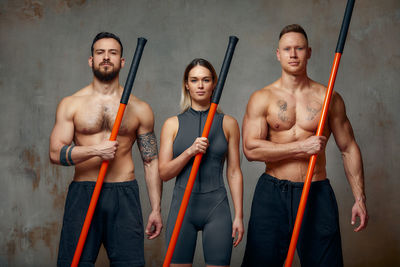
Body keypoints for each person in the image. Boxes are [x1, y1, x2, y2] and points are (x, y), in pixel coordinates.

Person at [241, 24, 368, 266]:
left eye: (299, 48)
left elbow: (348, 147)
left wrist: (360, 198)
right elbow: (250, 149)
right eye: (287, 49)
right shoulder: (262, 98)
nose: (293, 54)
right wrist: (300, 148)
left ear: (309, 52)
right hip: (272, 194)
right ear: (278, 54)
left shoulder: (328, 97)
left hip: (316, 192)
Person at [49, 32, 162, 267]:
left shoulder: (140, 108)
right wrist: (95, 151)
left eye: (113, 53)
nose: (106, 57)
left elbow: (150, 161)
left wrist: (156, 208)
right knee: (75, 262)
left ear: (122, 62)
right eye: (100, 52)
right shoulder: (72, 104)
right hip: (84, 192)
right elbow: (54, 153)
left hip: (124, 195)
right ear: (91, 60)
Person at [159, 58, 244, 267]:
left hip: (216, 208)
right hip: (182, 208)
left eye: (206, 80)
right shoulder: (172, 124)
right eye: (194, 80)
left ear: (214, 83)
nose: (200, 85)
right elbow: (164, 173)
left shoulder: (228, 123)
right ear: (186, 84)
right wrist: (190, 151)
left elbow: (234, 172)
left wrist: (239, 215)